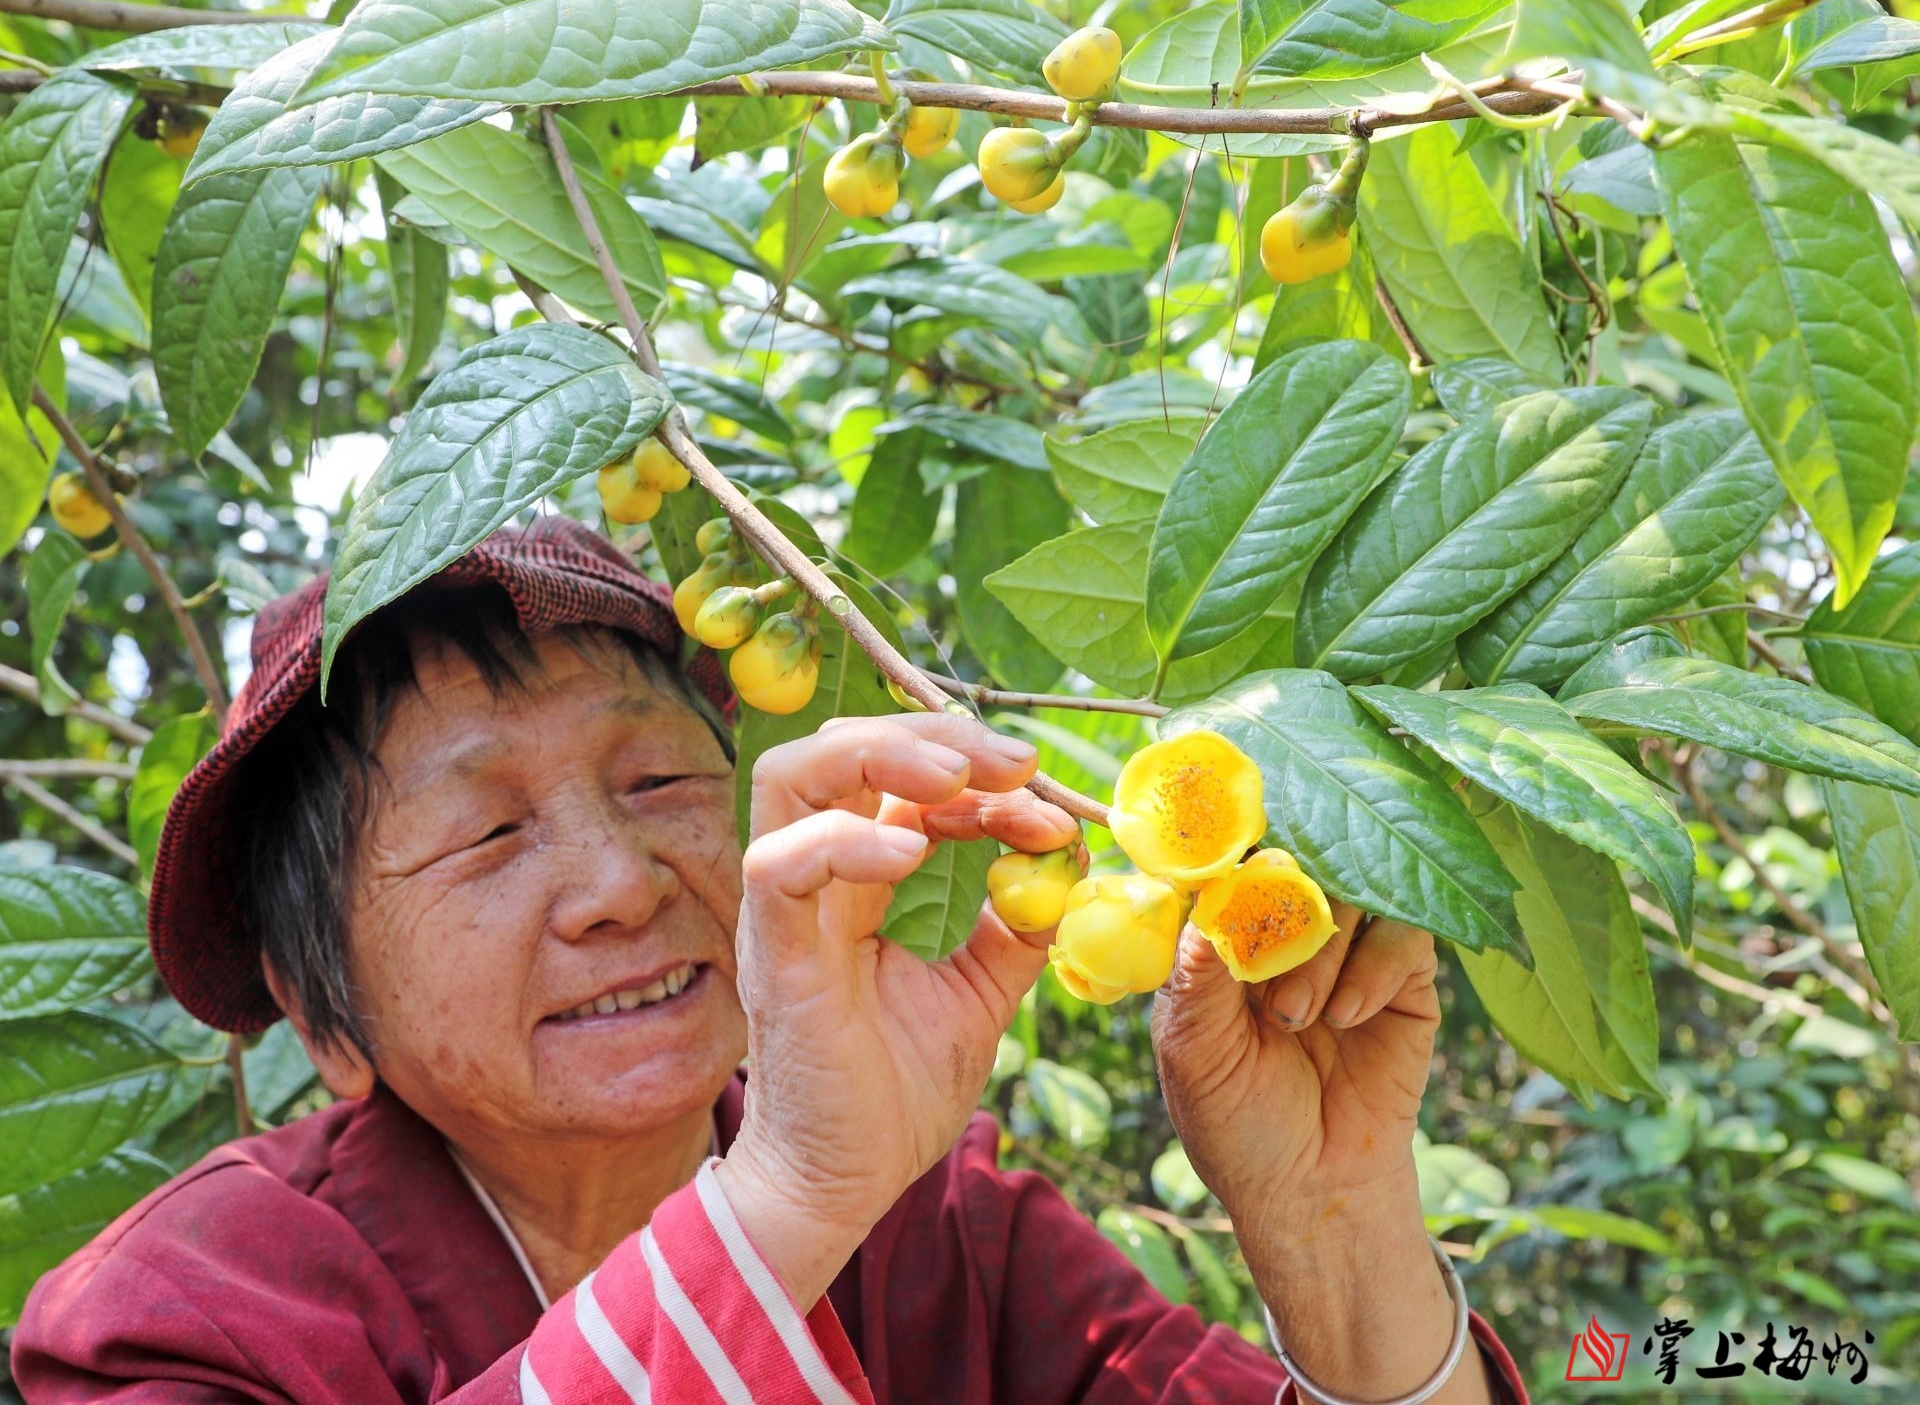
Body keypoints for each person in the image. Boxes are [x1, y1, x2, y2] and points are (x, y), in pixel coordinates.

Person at [13, 518, 1528, 1404]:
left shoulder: (941, 1237)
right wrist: (787, 1204)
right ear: (317, 1009)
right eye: (486, 835)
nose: (618, 884)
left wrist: (1332, 1229)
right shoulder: (190, 1314)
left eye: (664, 787)